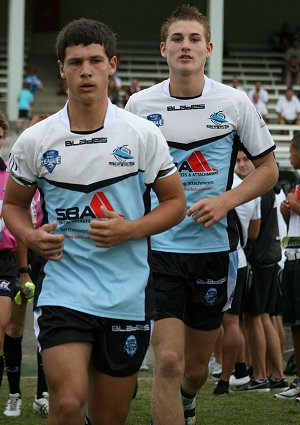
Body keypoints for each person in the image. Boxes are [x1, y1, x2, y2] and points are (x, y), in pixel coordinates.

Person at [2, 18, 186, 425]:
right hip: (64, 291)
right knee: (67, 405)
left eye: (95, 61)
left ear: (112, 64)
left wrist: (132, 230)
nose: (86, 70)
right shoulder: (35, 139)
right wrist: (31, 235)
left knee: (108, 417)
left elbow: (176, 202)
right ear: (61, 69)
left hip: (127, 294)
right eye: (76, 62)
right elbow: (12, 206)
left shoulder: (141, 135)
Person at [125, 4, 278, 425]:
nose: (185, 46)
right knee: (169, 363)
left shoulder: (234, 102)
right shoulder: (138, 105)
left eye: (194, 39)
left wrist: (226, 201)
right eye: (177, 39)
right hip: (160, 250)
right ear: (163, 49)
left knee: (194, 372)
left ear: (208, 48)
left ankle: (189, 401)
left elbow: (268, 169)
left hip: (214, 252)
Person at [1, 113, 49, 418]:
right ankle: (15, 393)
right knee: (15, 326)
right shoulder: (14, 172)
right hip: (17, 256)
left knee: (47, 325)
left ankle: (43, 393)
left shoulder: (56, 171)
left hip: (45, 256)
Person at [234, 151, 288, 393]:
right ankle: (274, 374)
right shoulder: (267, 185)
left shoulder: (260, 186)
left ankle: (261, 375)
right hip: (271, 255)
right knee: (267, 316)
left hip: (261, 258)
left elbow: (253, 232)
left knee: (256, 317)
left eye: (247, 159)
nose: (243, 165)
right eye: (239, 160)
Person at [213, 156, 261, 395]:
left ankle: (219, 372)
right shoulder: (252, 188)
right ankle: (228, 376)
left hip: (213, 255)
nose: (241, 163)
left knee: (215, 320)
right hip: (238, 257)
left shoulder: (216, 180)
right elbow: (254, 233)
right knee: (233, 321)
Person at [0, 111, 34, 417]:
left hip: (9, 260)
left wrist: (23, 269)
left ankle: (23, 394)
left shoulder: (9, 177)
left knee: (9, 326)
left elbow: (19, 221)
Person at [275, 132, 300, 400]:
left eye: (292, 151)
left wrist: (294, 204)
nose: (289, 156)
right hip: (292, 256)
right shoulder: (297, 182)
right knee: (294, 322)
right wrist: (287, 208)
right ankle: (298, 381)